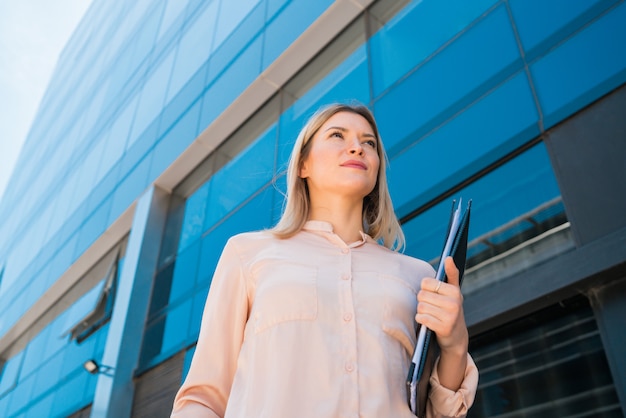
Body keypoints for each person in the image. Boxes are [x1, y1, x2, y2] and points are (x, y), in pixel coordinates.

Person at [170, 103, 478, 417]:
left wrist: (455, 344)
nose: (357, 148)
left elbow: (439, 412)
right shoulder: (248, 254)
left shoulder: (416, 274)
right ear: (303, 163)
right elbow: (202, 400)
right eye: (337, 135)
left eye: (368, 143)